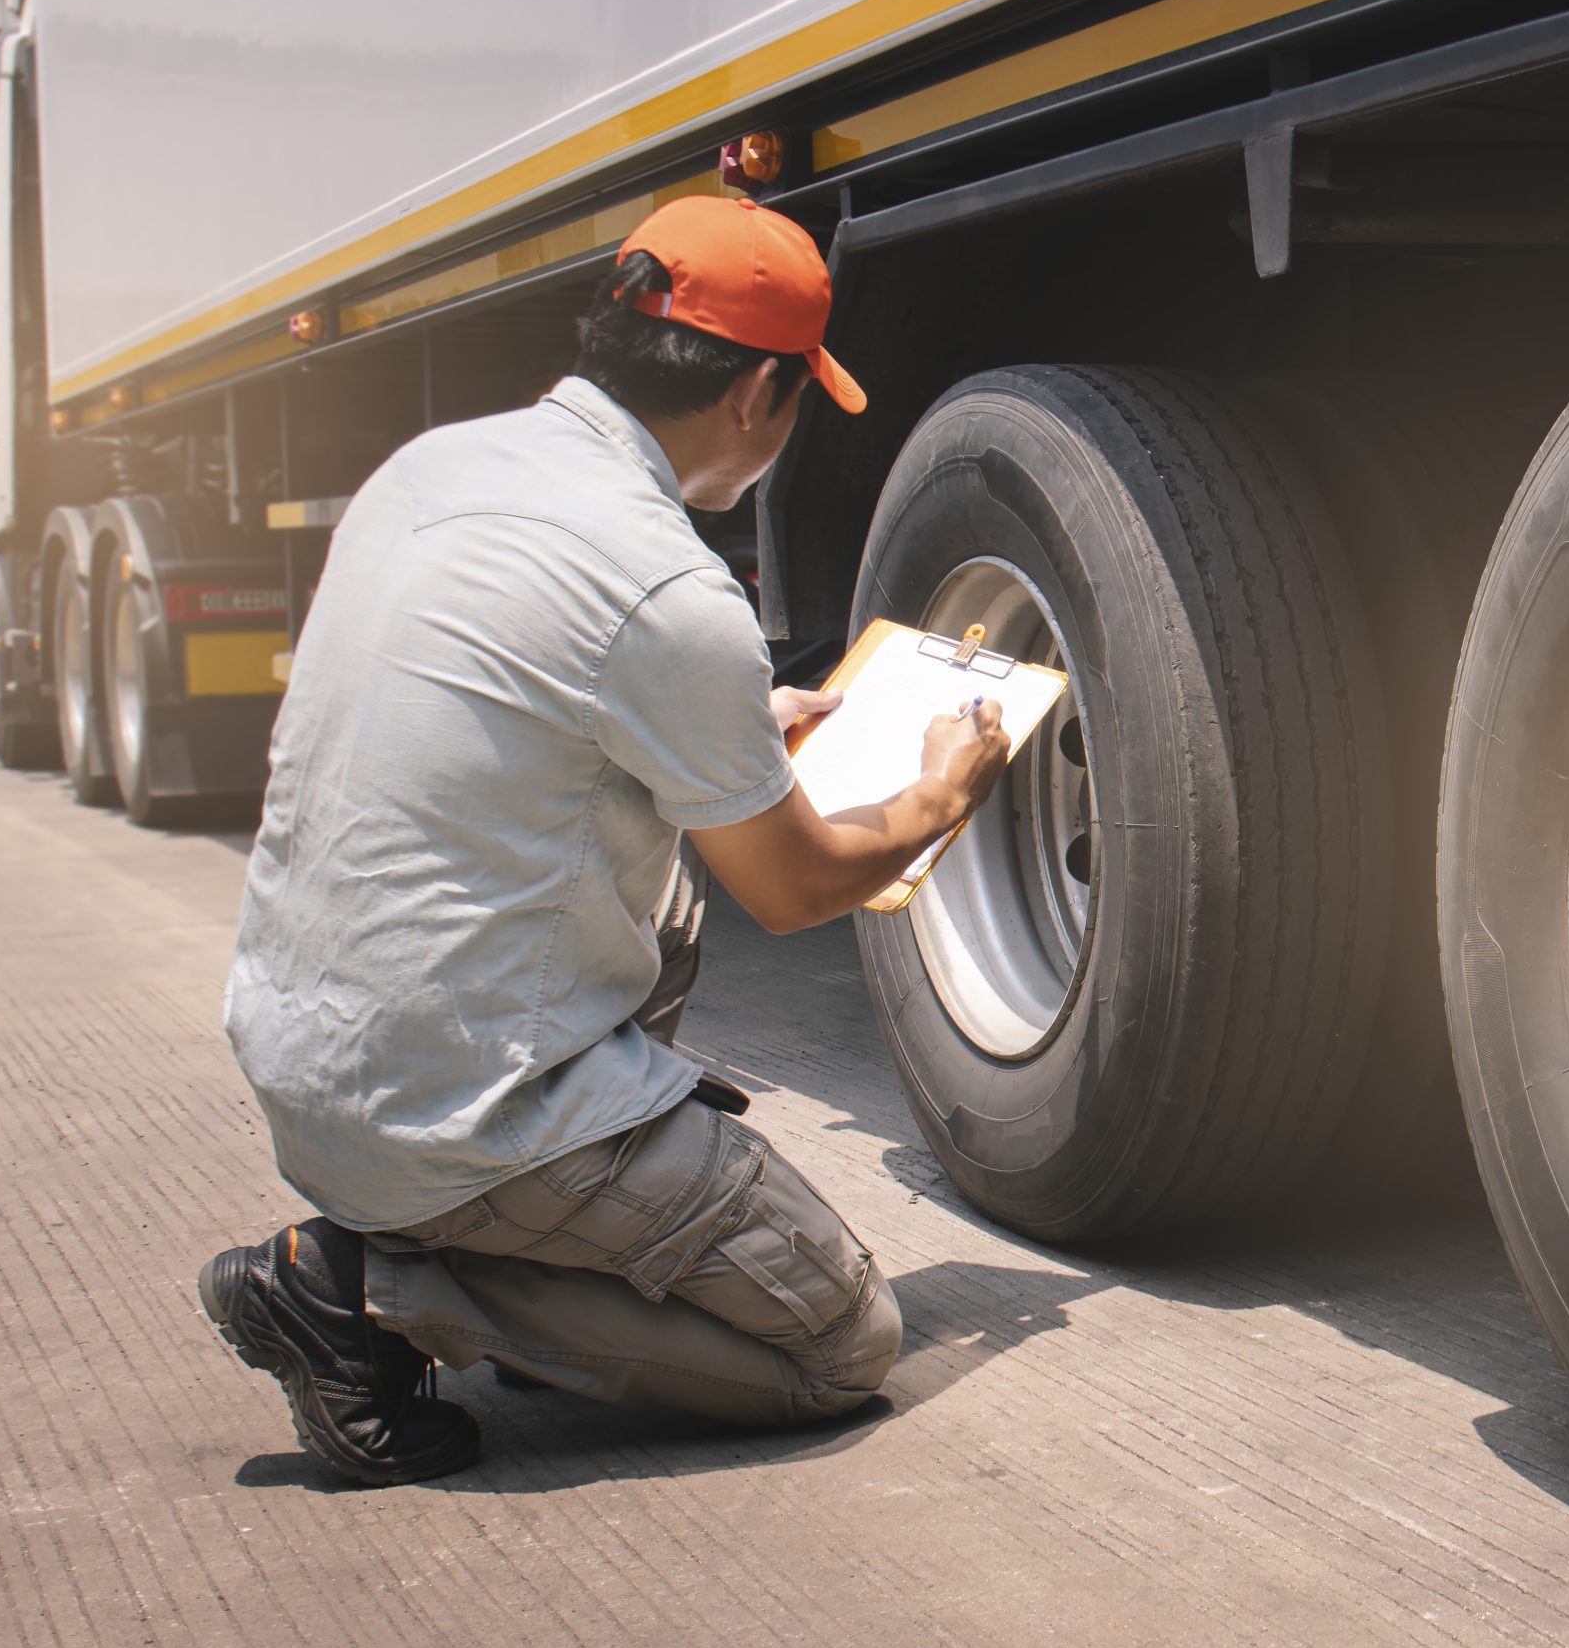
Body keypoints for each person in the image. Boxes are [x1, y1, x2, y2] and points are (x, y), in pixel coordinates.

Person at [197, 195, 1009, 1485]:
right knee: (839, 1342)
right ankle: (364, 1289)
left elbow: (509, 707)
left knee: (670, 895)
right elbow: (796, 889)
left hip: (310, 1065)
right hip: (447, 1107)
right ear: (755, 393)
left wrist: (729, 728)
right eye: (800, 400)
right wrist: (940, 792)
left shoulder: (430, 470)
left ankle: (438, 1236)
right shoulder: (669, 590)